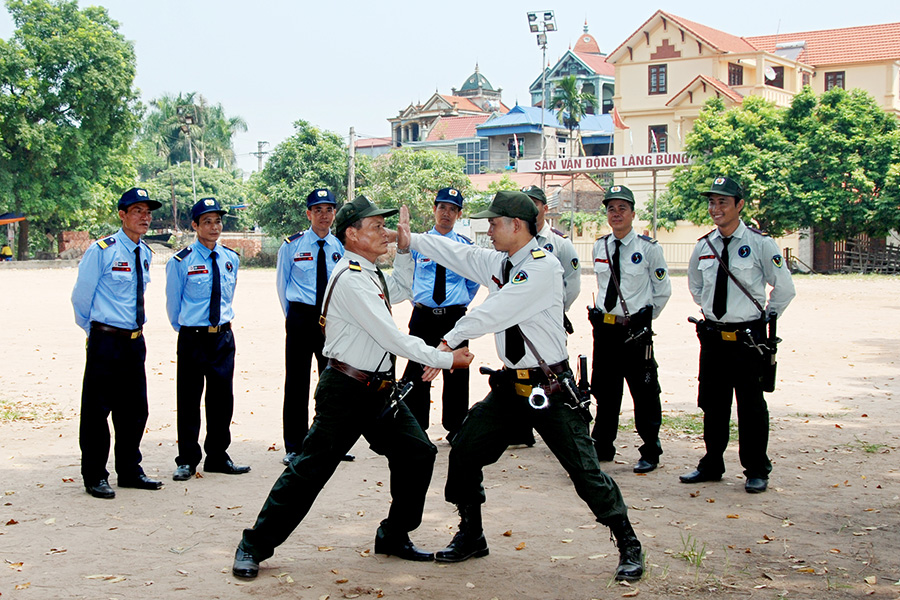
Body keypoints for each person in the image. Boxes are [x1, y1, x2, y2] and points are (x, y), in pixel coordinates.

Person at [402, 190, 644, 582]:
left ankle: (627, 540)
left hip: (549, 387)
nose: (489, 231)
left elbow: (495, 311)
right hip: (510, 387)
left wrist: (448, 340)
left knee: (584, 470)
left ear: (516, 225)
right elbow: (460, 255)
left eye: (494, 223)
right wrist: (411, 240)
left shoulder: (541, 266)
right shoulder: (503, 262)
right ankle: (472, 533)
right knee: (464, 450)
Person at [232, 195, 474, 579]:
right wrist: (447, 358)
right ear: (353, 234)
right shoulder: (351, 278)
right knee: (309, 471)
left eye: (384, 226)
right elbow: (393, 337)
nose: (385, 233)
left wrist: (407, 248)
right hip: (345, 391)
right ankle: (253, 545)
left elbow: (403, 287)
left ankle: (393, 534)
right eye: (377, 226)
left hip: (378, 391)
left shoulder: (369, 273)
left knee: (418, 453)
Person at [680, 176, 795, 494]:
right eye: (712, 202)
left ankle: (756, 469)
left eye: (723, 202)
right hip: (714, 338)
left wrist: (765, 320)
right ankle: (712, 464)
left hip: (748, 339)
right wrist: (711, 312)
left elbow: (784, 288)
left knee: (751, 406)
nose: (715, 208)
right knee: (713, 404)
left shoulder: (760, 243)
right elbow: (696, 285)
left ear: (739, 205)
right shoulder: (704, 246)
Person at [71, 187, 164, 499]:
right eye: (137, 211)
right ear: (122, 215)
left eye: (148, 212)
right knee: (97, 411)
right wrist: (96, 332)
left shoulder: (146, 253)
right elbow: (81, 297)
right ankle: (95, 475)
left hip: (135, 341)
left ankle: (129, 470)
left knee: (135, 410)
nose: (144, 217)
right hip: (106, 340)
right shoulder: (102, 250)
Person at [165, 198, 250, 481]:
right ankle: (187, 459)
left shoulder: (231, 259)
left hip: (223, 338)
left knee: (222, 398)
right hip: (193, 337)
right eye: (207, 222)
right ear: (195, 225)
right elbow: (173, 306)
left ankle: (217, 455)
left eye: (217, 221)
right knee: (189, 399)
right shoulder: (181, 261)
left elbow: (229, 296)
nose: (214, 227)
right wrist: (190, 330)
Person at [589, 185, 671, 473]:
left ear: (633, 213)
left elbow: (662, 291)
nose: (616, 214)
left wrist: (642, 321)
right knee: (604, 390)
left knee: (644, 392)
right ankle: (602, 445)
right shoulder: (600, 246)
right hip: (605, 331)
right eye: (611, 208)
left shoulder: (648, 249)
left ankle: (650, 449)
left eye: (622, 208)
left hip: (635, 333)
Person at [276, 189, 351, 464]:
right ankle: (294, 445)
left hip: (332, 320)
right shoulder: (292, 245)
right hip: (300, 318)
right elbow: (282, 286)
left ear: (334, 213)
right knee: (296, 382)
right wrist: (295, 317)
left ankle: (332, 440)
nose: (323, 215)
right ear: (308, 214)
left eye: (328, 209)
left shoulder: (342, 247)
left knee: (333, 381)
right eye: (317, 210)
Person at [401, 187, 479, 440]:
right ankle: (417, 427)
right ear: (434, 209)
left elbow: (473, 281)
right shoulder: (418, 243)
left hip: (454, 317)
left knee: (456, 373)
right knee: (418, 371)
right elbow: (406, 274)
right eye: (442, 207)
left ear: (458, 214)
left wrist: (458, 303)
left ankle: (456, 427)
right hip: (423, 316)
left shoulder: (466, 247)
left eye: (453, 209)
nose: (447, 213)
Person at [516, 185, 582, 447]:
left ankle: (558, 430)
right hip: (519, 324)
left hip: (548, 324)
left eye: (535, 204)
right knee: (519, 370)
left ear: (545, 208)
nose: (530, 210)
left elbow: (573, 284)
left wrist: (555, 312)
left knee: (549, 374)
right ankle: (522, 429)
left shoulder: (560, 244)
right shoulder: (515, 241)